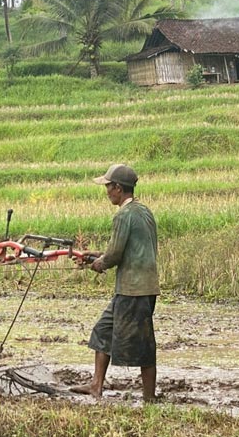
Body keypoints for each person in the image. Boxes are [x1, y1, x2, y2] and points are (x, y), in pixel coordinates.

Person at [71, 163, 159, 402]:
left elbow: (115, 255)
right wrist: (96, 256)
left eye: (109, 186)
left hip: (134, 290)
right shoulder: (144, 212)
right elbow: (126, 251)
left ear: (119, 188)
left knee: (143, 344)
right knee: (103, 331)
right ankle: (96, 386)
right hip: (141, 287)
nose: (107, 191)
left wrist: (99, 263)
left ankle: (149, 398)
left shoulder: (123, 215)